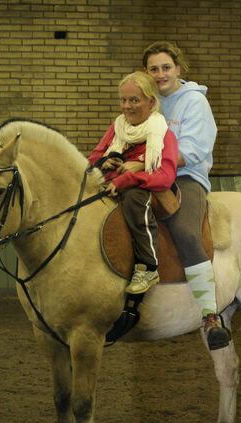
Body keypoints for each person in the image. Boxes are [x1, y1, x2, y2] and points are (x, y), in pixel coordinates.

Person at [142, 41, 230, 350]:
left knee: (185, 231)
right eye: (154, 69)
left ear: (178, 69)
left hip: (186, 177)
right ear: (146, 72)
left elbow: (194, 149)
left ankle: (210, 316)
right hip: (149, 176)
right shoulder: (147, 102)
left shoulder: (195, 103)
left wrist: (156, 163)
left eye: (166, 67)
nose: (161, 74)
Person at [89, 71, 178, 295]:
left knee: (135, 200)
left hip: (142, 189)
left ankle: (148, 267)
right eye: (123, 100)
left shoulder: (164, 135)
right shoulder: (117, 128)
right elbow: (93, 159)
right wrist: (104, 162)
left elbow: (165, 176)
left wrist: (129, 178)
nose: (127, 106)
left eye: (134, 100)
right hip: (110, 185)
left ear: (151, 102)